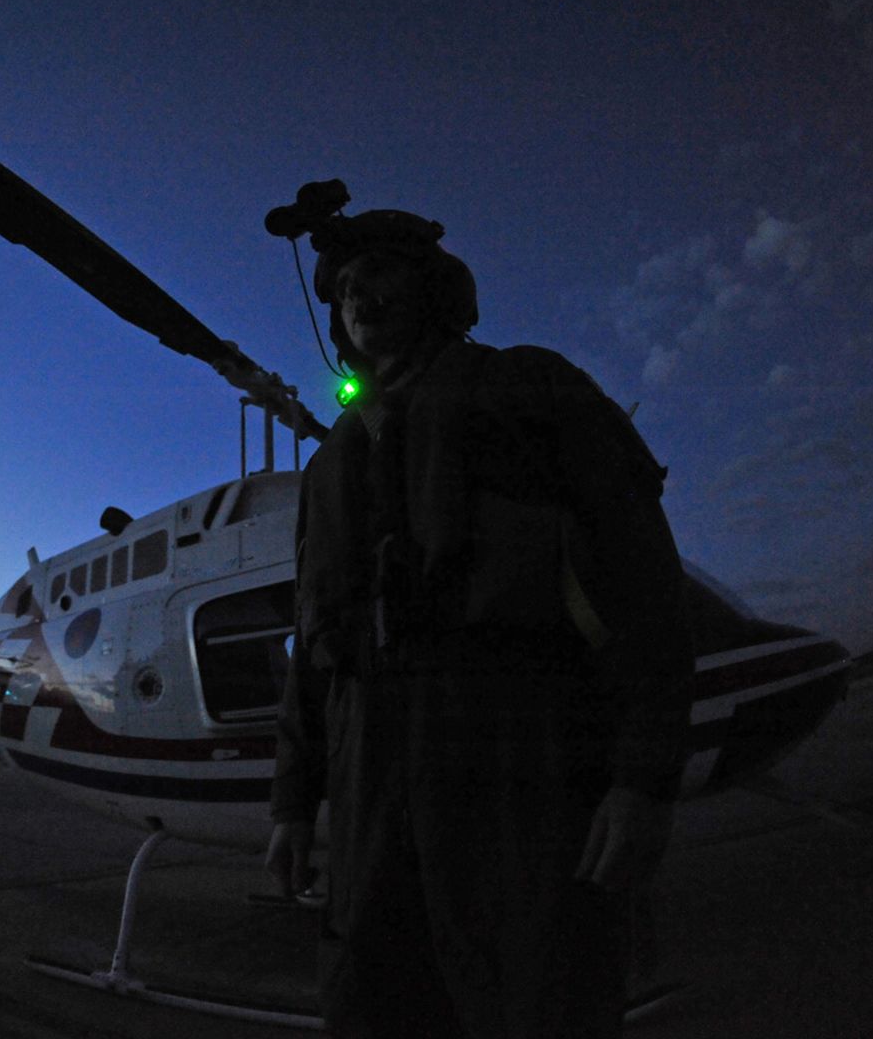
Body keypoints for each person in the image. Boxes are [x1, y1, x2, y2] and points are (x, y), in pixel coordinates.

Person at [265, 204, 692, 1037]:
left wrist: (643, 775)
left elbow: (641, 575)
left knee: (538, 991)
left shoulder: (526, 387)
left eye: (379, 273)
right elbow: (313, 654)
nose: (358, 297)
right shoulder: (329, 468)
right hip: (367, 785)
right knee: (371, 998)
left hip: (514, 748)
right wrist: (292, 805)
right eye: (345, 289)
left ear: (436, 287)